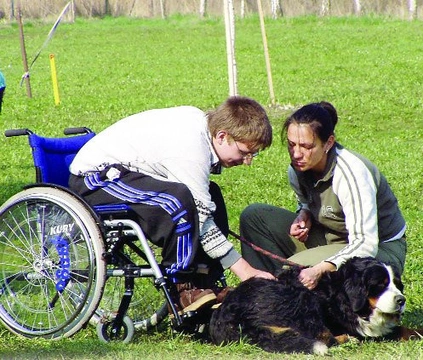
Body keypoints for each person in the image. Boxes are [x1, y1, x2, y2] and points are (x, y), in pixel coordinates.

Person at [69, 96, 275, 312]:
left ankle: (207, 282)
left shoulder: (204, 128)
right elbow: (201, 219)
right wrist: (246, 271)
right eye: (244, 152)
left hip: (127, 173)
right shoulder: (191, 149)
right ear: (222, 136)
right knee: (178, 201)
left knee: (211, 195)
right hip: (94, 180)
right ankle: (182, 287)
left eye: (253, 154)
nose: (247, 161)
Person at [240, 101, 406, 290]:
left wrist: (319, 269)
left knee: (293, 268)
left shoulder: (351, 174)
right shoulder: (297, 169)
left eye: (306, 146)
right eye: (291, 144)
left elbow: (365, 243)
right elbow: (305, 202)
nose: (296, 153)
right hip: (331, 237)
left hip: (378, 252)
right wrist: (304, 214)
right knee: (254, 217)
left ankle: (286, 303)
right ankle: (262, 297)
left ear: (328, 143)